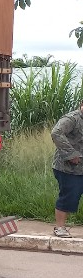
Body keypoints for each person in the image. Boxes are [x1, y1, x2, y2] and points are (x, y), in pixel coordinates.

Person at [51, 101, 83, 237]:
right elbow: (56, 133)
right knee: (69, 195)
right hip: (68, 168)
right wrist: (71, 154)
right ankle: (60, 228)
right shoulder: (72, 119)